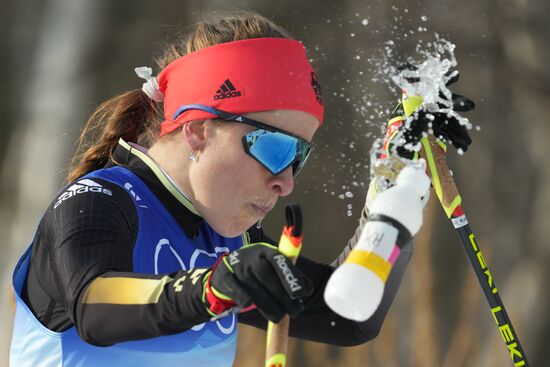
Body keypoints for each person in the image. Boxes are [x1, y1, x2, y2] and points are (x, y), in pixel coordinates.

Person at [9, 11, 473, 367]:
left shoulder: (228, 241)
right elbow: (95, 305)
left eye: (299, 157)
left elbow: (349, 314)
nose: (285, 181)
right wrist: (215, 286)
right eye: (273, 148)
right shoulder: (98, 202)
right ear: (197, 130)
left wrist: (392, 188)